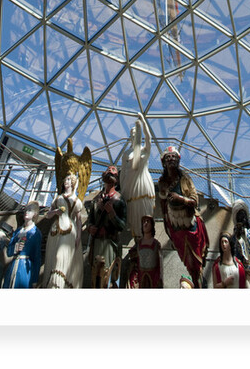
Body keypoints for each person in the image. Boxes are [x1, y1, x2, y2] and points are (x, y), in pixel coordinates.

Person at [157, 145, 209, 288]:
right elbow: (163, 207)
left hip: (190, 224)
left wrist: (180, 199)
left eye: (173, 157)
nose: (171, 159)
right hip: (175, 226)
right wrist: (168, 229)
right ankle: (196, 281)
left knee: (196, 262)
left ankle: (199, 283)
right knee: (188, 262)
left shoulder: (185, 179)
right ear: (163, 162)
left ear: (178, 160)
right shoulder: (162, 182)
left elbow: (194, 201)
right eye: (168, 157)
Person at [87, 165, 127, 288]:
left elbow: (122, 226)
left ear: (117, 179)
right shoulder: (96, 200)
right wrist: (90, 228)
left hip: (110, 243)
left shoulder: (119, 200)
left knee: (108, 275)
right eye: (108, 170)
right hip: (97, 242)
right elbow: (90, 220)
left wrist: (112, 213)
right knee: (96, 275)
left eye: (113, 171)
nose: (110, 171)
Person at [43, 172, 84, 288]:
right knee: (53, 255)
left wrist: (79, 236)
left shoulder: (76, 200)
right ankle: (51, 284)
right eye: (65, 180)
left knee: (60, 256)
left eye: (68, 180)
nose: (66, 182)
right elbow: (48, 215)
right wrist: (55, 212)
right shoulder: (58, 198)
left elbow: (79, 220)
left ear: (73, 183)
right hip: (55, 230)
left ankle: (59, 284)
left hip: (69, 230)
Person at [120, 113, 156, 241]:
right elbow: (123, 173)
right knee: (134, 217)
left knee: (145, 214)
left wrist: (143, 122)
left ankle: (147, 240)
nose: (133, 135)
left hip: (143, 185)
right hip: (130, 187)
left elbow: (149, 138)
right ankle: (137, 243)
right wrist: (123, 189)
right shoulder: (126, 153)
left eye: (136, 133)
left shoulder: (145, 150)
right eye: (132, 133)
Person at [2, 201, 42, 289]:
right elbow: (9, 252)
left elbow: (37, 258)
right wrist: (15, 248)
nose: (26, 212)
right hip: (12, 267)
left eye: (30, 210)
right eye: (26, 210)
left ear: (35, 214)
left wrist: (34, 280)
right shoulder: (18, 231)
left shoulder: (36, 233)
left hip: (25, 270)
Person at [127, 215, 163, 289]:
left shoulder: (156, 244)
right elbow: (134, 261)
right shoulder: (138, 244)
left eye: (148, 221)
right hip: (141, 278)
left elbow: (160, 264)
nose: (145, 224)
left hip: (153, 279)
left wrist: (159, 279)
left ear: (152, 225)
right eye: (143, 222)